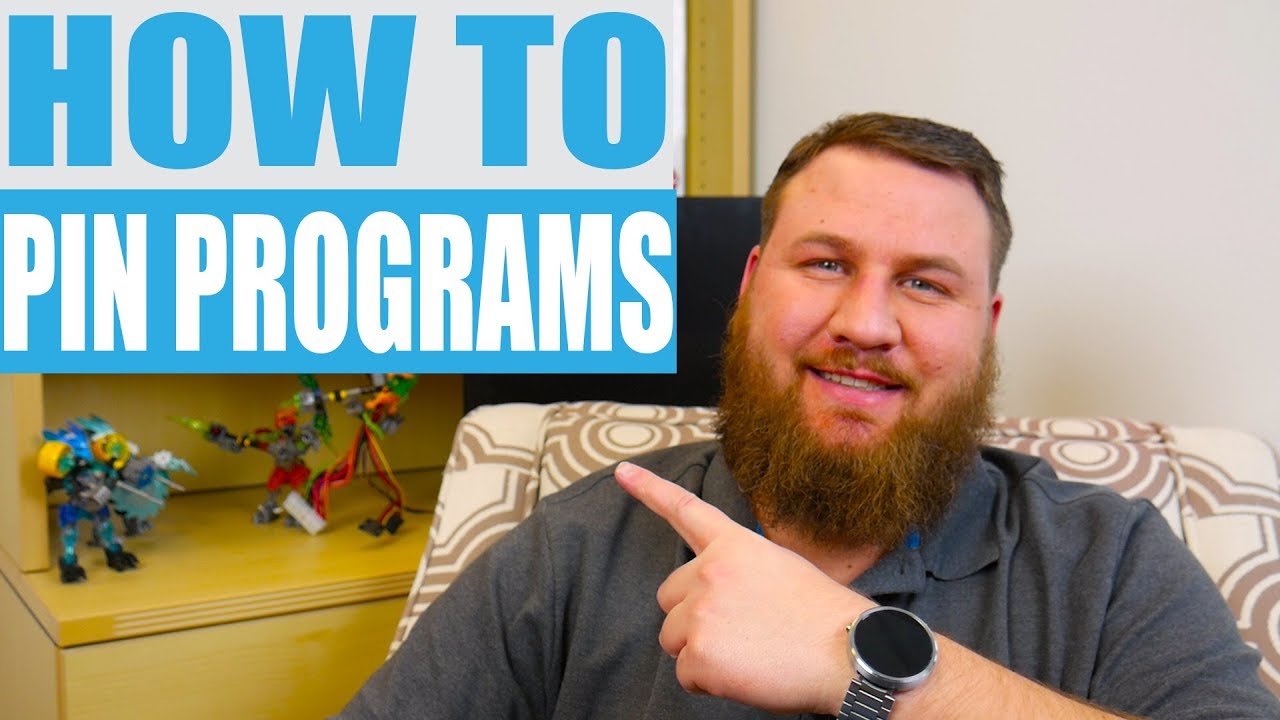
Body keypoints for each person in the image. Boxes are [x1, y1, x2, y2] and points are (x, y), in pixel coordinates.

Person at [336, 113, 1280, 718]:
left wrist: (861, 664)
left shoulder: (1109, 563)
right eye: (826, 263)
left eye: (925, 282)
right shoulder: (576, 546)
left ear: (986, 329)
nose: (865, 323)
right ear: (751, 286)